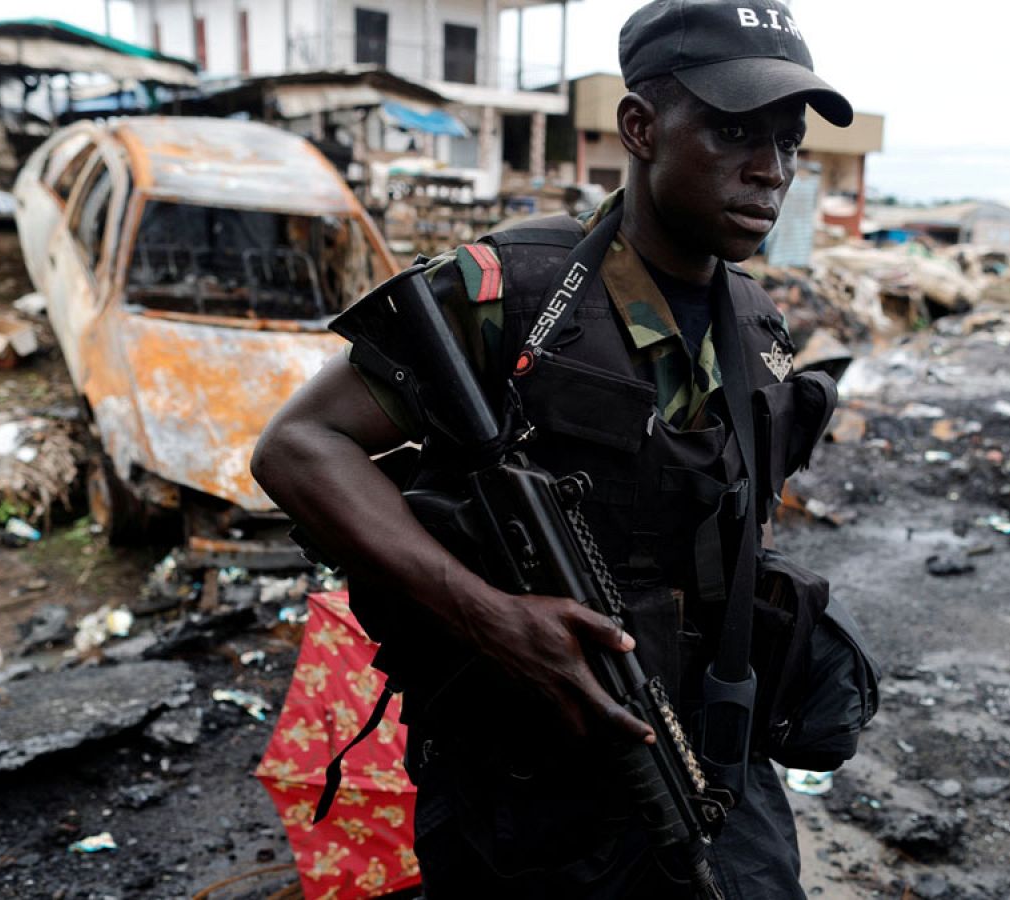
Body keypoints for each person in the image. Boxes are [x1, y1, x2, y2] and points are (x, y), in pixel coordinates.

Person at [251, 2, 852, 896]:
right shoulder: (514, 293)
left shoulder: (756, 322)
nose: (770, 170)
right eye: (733, 131)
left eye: (788, 140)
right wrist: (490, 616)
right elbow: (299, 447)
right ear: (640, 128)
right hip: (527, 782)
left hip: (709, 757)